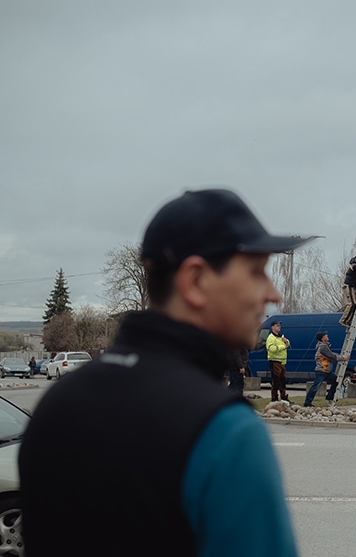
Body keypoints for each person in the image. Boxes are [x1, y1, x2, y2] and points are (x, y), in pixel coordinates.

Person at [18, 188, 299, 556]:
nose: (273, 293)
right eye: (256, 271)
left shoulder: (56, 403)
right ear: (196, 281)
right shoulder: (226, 434)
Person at [303, 331, 348, 407]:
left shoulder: (325, 346)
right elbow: (331, 356)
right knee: (315, 386)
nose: (327, 336)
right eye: (325, 335)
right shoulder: (323, 347)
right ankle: (307, 402)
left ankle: (330, 395)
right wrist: (343, 357)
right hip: (322, 370)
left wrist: (341, 356)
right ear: (323, 338)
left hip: (326, 371)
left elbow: (332, 354)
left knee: (336, 380)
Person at [266, 321, 290, 403]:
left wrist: (286, 341)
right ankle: (274, 398)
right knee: (275, 380)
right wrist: (283, 346)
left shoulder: (281, 336)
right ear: (272, 327)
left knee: (282, 380)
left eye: (279, 325)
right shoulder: (271, 338)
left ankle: (283, 396)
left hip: (282, 362)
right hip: (274, 361)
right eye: (277, 326)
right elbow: (271, 349)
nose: (279, 327)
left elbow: (288, 344)